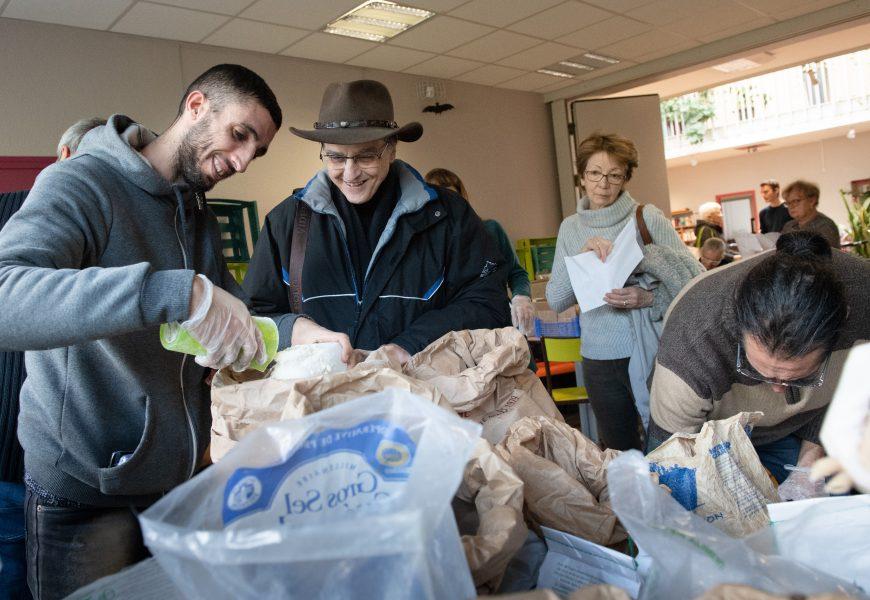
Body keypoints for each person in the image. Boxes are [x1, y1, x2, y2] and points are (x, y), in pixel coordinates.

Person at [0, 63, 281, 598]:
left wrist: (297, 334)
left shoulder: (195, 210)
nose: (244, 161)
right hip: (84, 496)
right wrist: (175, 293)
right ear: (196, 107)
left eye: (257, 151)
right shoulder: (81, 182)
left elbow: (229, 319)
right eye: (240, 135)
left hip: (175, 488)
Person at [244, 80, 509, 367]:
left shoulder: (448, 216)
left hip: (422, 397)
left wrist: (408, 346)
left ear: (392, 149)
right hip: (319, 403)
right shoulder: (286, 223)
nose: (350, 172)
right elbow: (253, 318)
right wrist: (295, 329)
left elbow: (488, 303)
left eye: (366, 155)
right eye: (335, 156)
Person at [647, 232, 870, 488]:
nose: (776, 389)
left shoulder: (865, 302)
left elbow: (854, 393)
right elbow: (668, 459)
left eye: (801, 377)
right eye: (758, 371)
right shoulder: (692, 345)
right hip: (709, 435)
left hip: (804, 429)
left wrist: (807, 469)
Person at [0, 117, 105, 600]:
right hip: (12, 461)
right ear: (65, 161)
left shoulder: (108, 227)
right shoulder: (12, 216)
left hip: (74, 466)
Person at [546, 132, 702, 451]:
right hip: (597, 357)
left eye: (614, 175)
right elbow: (557, 299)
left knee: (669, 446)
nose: (603, 184)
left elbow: (695, 281)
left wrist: (648, 299)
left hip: (650, 352)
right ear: (582, 176)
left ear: (625, 178)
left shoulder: (647, 218)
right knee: (620, 453)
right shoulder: (570, 228)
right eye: (594, 173)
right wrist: (580, 254)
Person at [423, 167, 533, 336]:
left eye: (454, 198)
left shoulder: (490, 230)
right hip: (457, 334)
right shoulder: (427, 246)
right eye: (442, 199)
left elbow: (517, 274)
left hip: (500, 327)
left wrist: (521, 298)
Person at [781, 180, 840, 248]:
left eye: (796, 201)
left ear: (812, 201)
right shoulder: (788, 226)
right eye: (788, 203)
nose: (791, 206)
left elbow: (825, 256)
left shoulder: (825, 226)